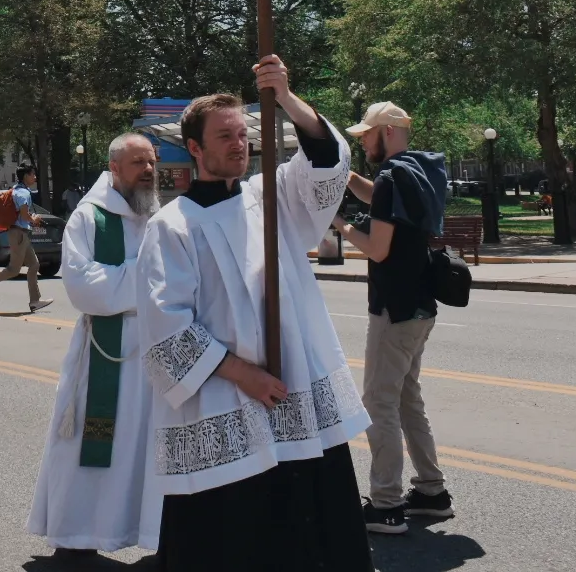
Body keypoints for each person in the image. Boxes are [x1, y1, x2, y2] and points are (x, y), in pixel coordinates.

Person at [137, 58, 372, 570]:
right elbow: (165, 323)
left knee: (309, 530)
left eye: (242, 133)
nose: (238, 143)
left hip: (292, 391)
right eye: (224, 136)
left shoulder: (273, 196)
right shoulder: (172, 226)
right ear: (194, 148)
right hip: (225, 397)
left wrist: (286, 96)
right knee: (234, 539)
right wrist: (243, 374)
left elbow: (326, 162)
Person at [29, 133, 160, 558]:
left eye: (152, 162)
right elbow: (86, 289)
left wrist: (138, 278)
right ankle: (76, 538)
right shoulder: (90, 218)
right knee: (92, 444)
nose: (149, 171)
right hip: (107, 348)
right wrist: (146, 276)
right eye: (139, 163)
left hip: (153, 349)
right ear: (115, 168)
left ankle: (147, 534)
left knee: (143, 445)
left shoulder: (155, 215)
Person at [333, 101, 453, 533]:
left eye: (366, 134)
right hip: (421, 306)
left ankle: (385, 504)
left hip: (393, 309)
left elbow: (378, 247)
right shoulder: (418, 170)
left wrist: (341, 223)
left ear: (386, 132)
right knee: (407, 399)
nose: (363, 141)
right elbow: (384, 200)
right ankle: (431, 493)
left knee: (379, 403)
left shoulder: (390, 178)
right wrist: (347, 178)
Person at [0, 166, 52, 312]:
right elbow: (24, 216)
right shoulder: (23, 193)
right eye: (32, 174)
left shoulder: (16, 190)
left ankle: (35, 301)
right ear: (25, 176)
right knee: (13, 269)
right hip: (18, 234)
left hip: (20, 233)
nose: (35, 177)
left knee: (34, 265)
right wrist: (34, 219)